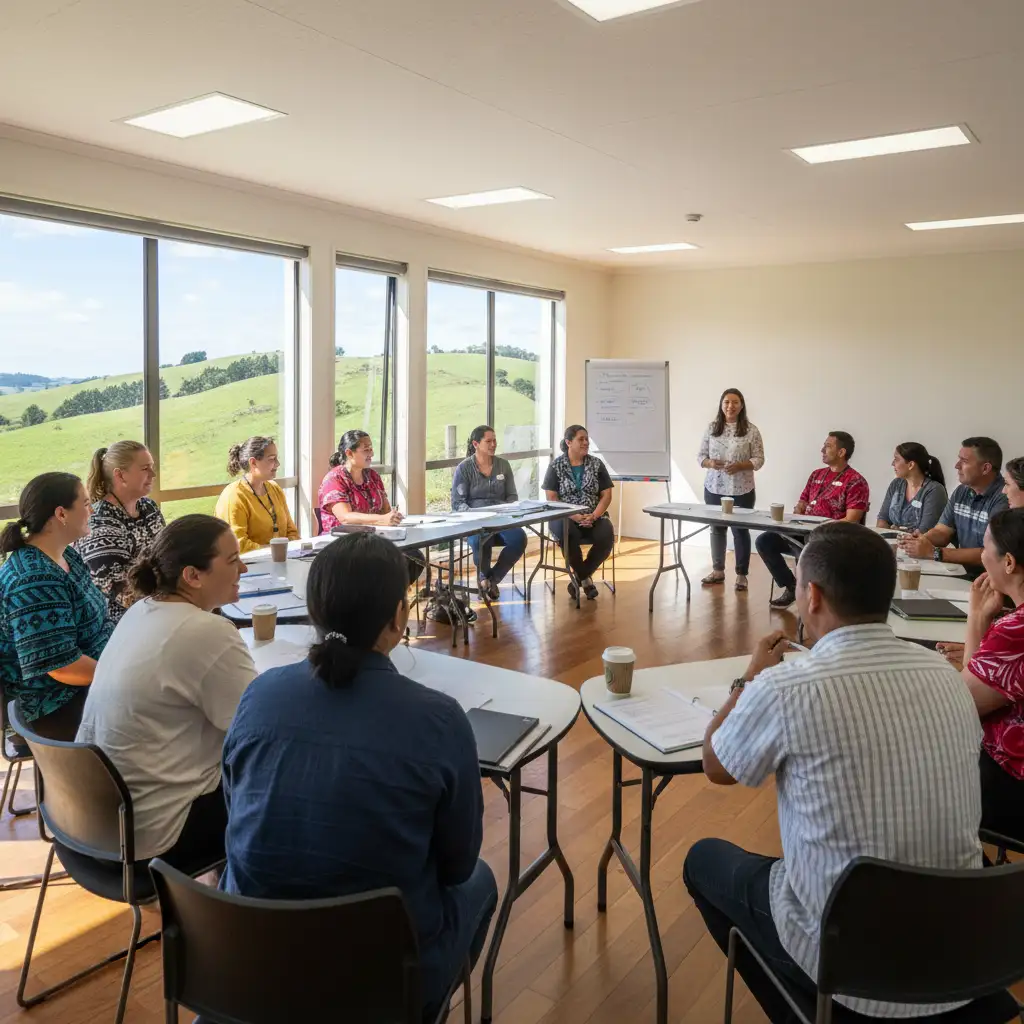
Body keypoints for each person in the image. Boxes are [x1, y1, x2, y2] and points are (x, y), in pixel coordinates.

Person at [684, 522, 983, 1022]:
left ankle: (809, 1011)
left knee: (703, 860)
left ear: (813, 595)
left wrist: (749, 676)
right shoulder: (948, 678)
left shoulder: (787, 686)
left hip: (851, 965)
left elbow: (716, 765)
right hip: (966, 953)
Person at [221, 533, 497, 1020]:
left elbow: (237, 814)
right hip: (379, 978)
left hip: (247, 964)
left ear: (314, 610)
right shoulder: (438, 719)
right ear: (397, 617)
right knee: (481, 880)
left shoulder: (259, 695)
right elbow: (456, 867)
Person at [77, 515, 256, 864]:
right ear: (192, 575)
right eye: (233, 560)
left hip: (93, 825)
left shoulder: (140, 610)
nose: (244, 569)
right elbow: (256, 731)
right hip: (157, 836)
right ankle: (237, 910)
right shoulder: (208, 631)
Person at [0, 473, 113, 735]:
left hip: (90, 682)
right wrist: (122, 674)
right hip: (55, 704)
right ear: (61, 514)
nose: (92, 510)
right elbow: (63, 667)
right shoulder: (34, 579)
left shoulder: (66, 556)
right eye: (85, 504)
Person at [955, 509, 1024, 845]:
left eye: (985, 548)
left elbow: (960, 706)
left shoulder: (1016, 631)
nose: (982, 557)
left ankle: (972, 883)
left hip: (1011, 782)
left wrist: (977, 621)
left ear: (1008, 562)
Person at [756, 431, 869, 608]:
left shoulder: (855, 481)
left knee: (807, 549)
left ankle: (814, 597)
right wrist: (799, 511)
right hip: (801, 531)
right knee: (765, 541)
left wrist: (822, 528)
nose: (822, 449)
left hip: (830, 538)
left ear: (841, 452)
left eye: (828, 446)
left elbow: (852, 520)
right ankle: (792, 586)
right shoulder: (816, 474)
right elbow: (802, 501)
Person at [318, 429, 425, 586]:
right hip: (346, 545)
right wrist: (382, 520)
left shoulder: (372, 476)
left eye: (371, 448)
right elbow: (345, 518)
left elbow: (386, 510)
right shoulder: (334, 479)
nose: (371, 453)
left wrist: (392, 516)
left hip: (373, 541)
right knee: (388, 564)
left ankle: (389, 600)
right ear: (349, 453)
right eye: (366, 449)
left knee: (414, 557)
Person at [74, 441, 165, 623]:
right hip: (120, 624)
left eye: (152, 467)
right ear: (120, 475)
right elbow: (124, 595)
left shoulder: (148, 507)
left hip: (156, 607)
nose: (153, 474)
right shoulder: (101, 523)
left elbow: (169, 556)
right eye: (145, 469)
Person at [902, 437, 1008, 579]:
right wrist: (920, 541)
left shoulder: (1004, 497)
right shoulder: (961, 491)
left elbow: (993, 553)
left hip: (988, 579)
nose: (957, 466)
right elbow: (942, 531)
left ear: (985, 468)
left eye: (964, 461)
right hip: (959, 571)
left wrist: (935, 553)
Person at [697, 388, 765, 591]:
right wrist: (711, 463)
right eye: (726, 402)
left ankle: (741, 575)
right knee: (717, 529)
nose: (730, 406)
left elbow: (759, 459)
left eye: (735, 402)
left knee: (740, 531)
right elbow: (700, 456)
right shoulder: (711, 428)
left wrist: (741, 466)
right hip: (714, 487)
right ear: (721, 404)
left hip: (742, 488)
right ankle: (718, 571)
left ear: (742, 405)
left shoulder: (751, 430)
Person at [451, 425, 527, 600]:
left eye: (495, 440)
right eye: (489, 441)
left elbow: (512, 496)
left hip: (502, 519)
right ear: (476, 444)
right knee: (480, 541)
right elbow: (458, 503)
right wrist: (477, 517)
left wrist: (505, 512)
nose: (494, 444)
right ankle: (485, 578)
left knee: (519, 539)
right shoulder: (464, 468)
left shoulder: (503, 465)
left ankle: (491, 579)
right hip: (475, 522)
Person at [542, 425, 615, 601]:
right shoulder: (556, 465)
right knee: (568, 535)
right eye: (581, 439)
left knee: (607, 536)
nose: (586, 442)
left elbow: (606, 495)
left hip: (593, 515)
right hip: (564, 516)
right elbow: (551, 498)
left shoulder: (596, 464)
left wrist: (594, 515)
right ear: (569, 442)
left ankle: (578, 578)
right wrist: (573, 515)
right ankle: (585, 580)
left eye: (586, 439)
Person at [215, 436, 299, 554]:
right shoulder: (234, 496)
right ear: (253, 463)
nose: (278, 464)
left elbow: (292, 533)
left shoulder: (275, 489)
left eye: (276, 458)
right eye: (271, 459)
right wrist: (275, 551)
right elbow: (239, 545)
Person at [875, 441, 947, 533]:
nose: (893, 464)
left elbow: (925, 531)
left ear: (911, 465)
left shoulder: (934, 490)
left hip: (919, 545)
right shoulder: (896, 484)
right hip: (894, 543)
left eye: (896, 459)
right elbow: (882, 519)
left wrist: (898, 534)